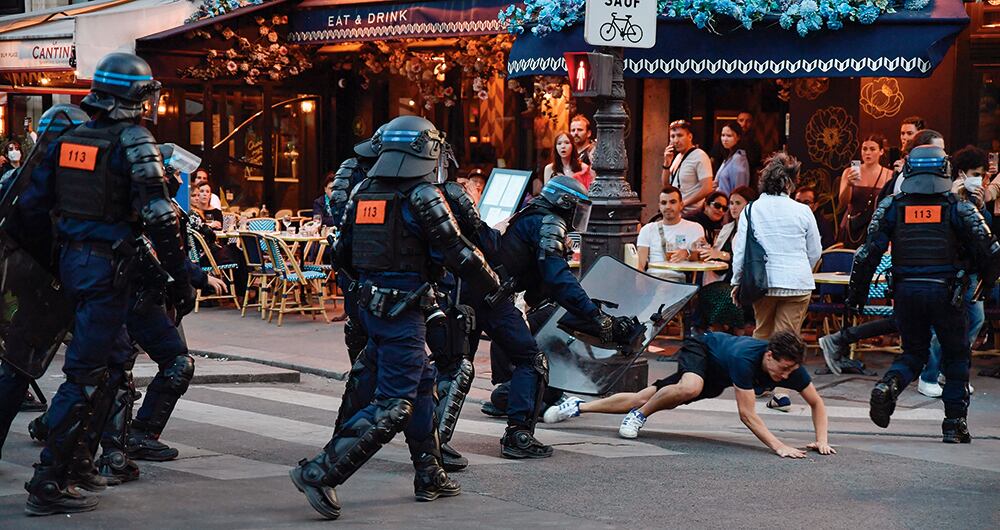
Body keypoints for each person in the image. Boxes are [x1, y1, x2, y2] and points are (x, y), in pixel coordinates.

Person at [289, 115, 503, 520]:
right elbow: (459, 251)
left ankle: (429, 472)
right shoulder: (423, 194)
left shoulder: (364, 191)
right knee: (396, 403)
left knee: (423, 387)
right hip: (405, 309)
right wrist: (495, 283)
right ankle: (320, 471)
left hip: (372, 306)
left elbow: (342, 254)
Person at [14, 52, 194, 515]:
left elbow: (33, 208)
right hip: (109, 269)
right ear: (136, 97)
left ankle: (75, 465)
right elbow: (159, 214)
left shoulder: (69, 140)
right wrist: (182, 274)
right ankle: (50, 480)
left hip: (74, 266)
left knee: (97, 369)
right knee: (88, 375)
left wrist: (59, 258)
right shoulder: (134, 139)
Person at [847, 144, 1000, 443]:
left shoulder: (892, 206)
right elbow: (991, 249)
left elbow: (866, 254)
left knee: (914, 353)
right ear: (945, 171)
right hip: (947, 294)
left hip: (906, 293)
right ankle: (954, 424)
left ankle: (888, 385)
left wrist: (856, 298)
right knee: (956, 357)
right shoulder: (958, 206)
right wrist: (985, 285)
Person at [543, 331, 836, 457]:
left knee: (641, 396)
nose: (785, 377)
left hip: (715, 376)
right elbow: (747, 415)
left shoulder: (790, 366)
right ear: (770, 355)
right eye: (782, 369)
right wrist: (778, 446)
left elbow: (816, 402)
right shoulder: (746, 359)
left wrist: (821, 439)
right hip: (703, 349)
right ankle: (638, 417)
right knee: (689, 387)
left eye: (789, 372)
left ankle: (578, 407)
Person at [731, 153, 821, 412]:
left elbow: (742, 252)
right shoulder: (803, 210)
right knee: (788, 335)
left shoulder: (751, 209)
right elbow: (815, 250)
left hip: (763, 282)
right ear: (790, 183)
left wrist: (737, 282)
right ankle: (782, 393)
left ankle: (757, 382)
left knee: (762, 331)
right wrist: (803, 268)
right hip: (797, 281)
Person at [696, 186, 757, 331]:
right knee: (701, 290)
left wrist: (724, 255)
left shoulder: (754, 229)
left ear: (749, 205)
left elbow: (749, 258)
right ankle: (718, 332)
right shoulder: (727, 228)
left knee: (721, 294)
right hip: (724, 277)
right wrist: (707, 248)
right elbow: (716, 253)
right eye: (731, 203)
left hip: (745, 281)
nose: (733, 207)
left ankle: (730, 330)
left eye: (738, 203)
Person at [637, 186, 706, 280]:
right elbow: (640, 264)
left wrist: (687, 253)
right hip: (653, 279)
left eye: (672, 202)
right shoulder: (648, 229)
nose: (668, 206)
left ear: (681, 205)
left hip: (679, 280)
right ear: (659, 206)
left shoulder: (695, 228)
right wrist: (640, 283)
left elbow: (700, 257)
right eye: (664, 203)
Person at [838, 134, 891, 248]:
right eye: (864, 149)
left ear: (881, 151)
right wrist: (849, 184)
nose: (867, 153)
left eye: (872, 149)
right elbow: (843, 202)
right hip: (852, 225)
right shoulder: (849, 172)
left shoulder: (888, 175)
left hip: (875, 226)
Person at [660, 120, 714, 216]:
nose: (676, 140)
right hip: (676, 213)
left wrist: (684, 203)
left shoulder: (700, 155)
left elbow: (707, 188)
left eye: (680, 135)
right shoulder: (677, 157)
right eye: (672, 136)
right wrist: (666, 163)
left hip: (691, 214)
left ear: (690, 136)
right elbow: (666, 186)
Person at [879, 129, 946, 203]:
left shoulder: (944, 178)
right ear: (920, 150)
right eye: (937, 150)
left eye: (943, 150)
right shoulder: (904, 178)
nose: (943, 155)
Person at [715, 122, 750, 196]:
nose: (725, 139)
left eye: (729, 136)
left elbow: (739, 189)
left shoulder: (739, 158)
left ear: (738, 137)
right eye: (723, 135)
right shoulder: (729, 156)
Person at [736, 111, 763, 177]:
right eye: (741, 120)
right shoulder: (730, 138)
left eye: (748, 121)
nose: (744, 124)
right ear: (737, 122)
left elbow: (755, 164)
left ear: (752, 123)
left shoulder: (755, 143)